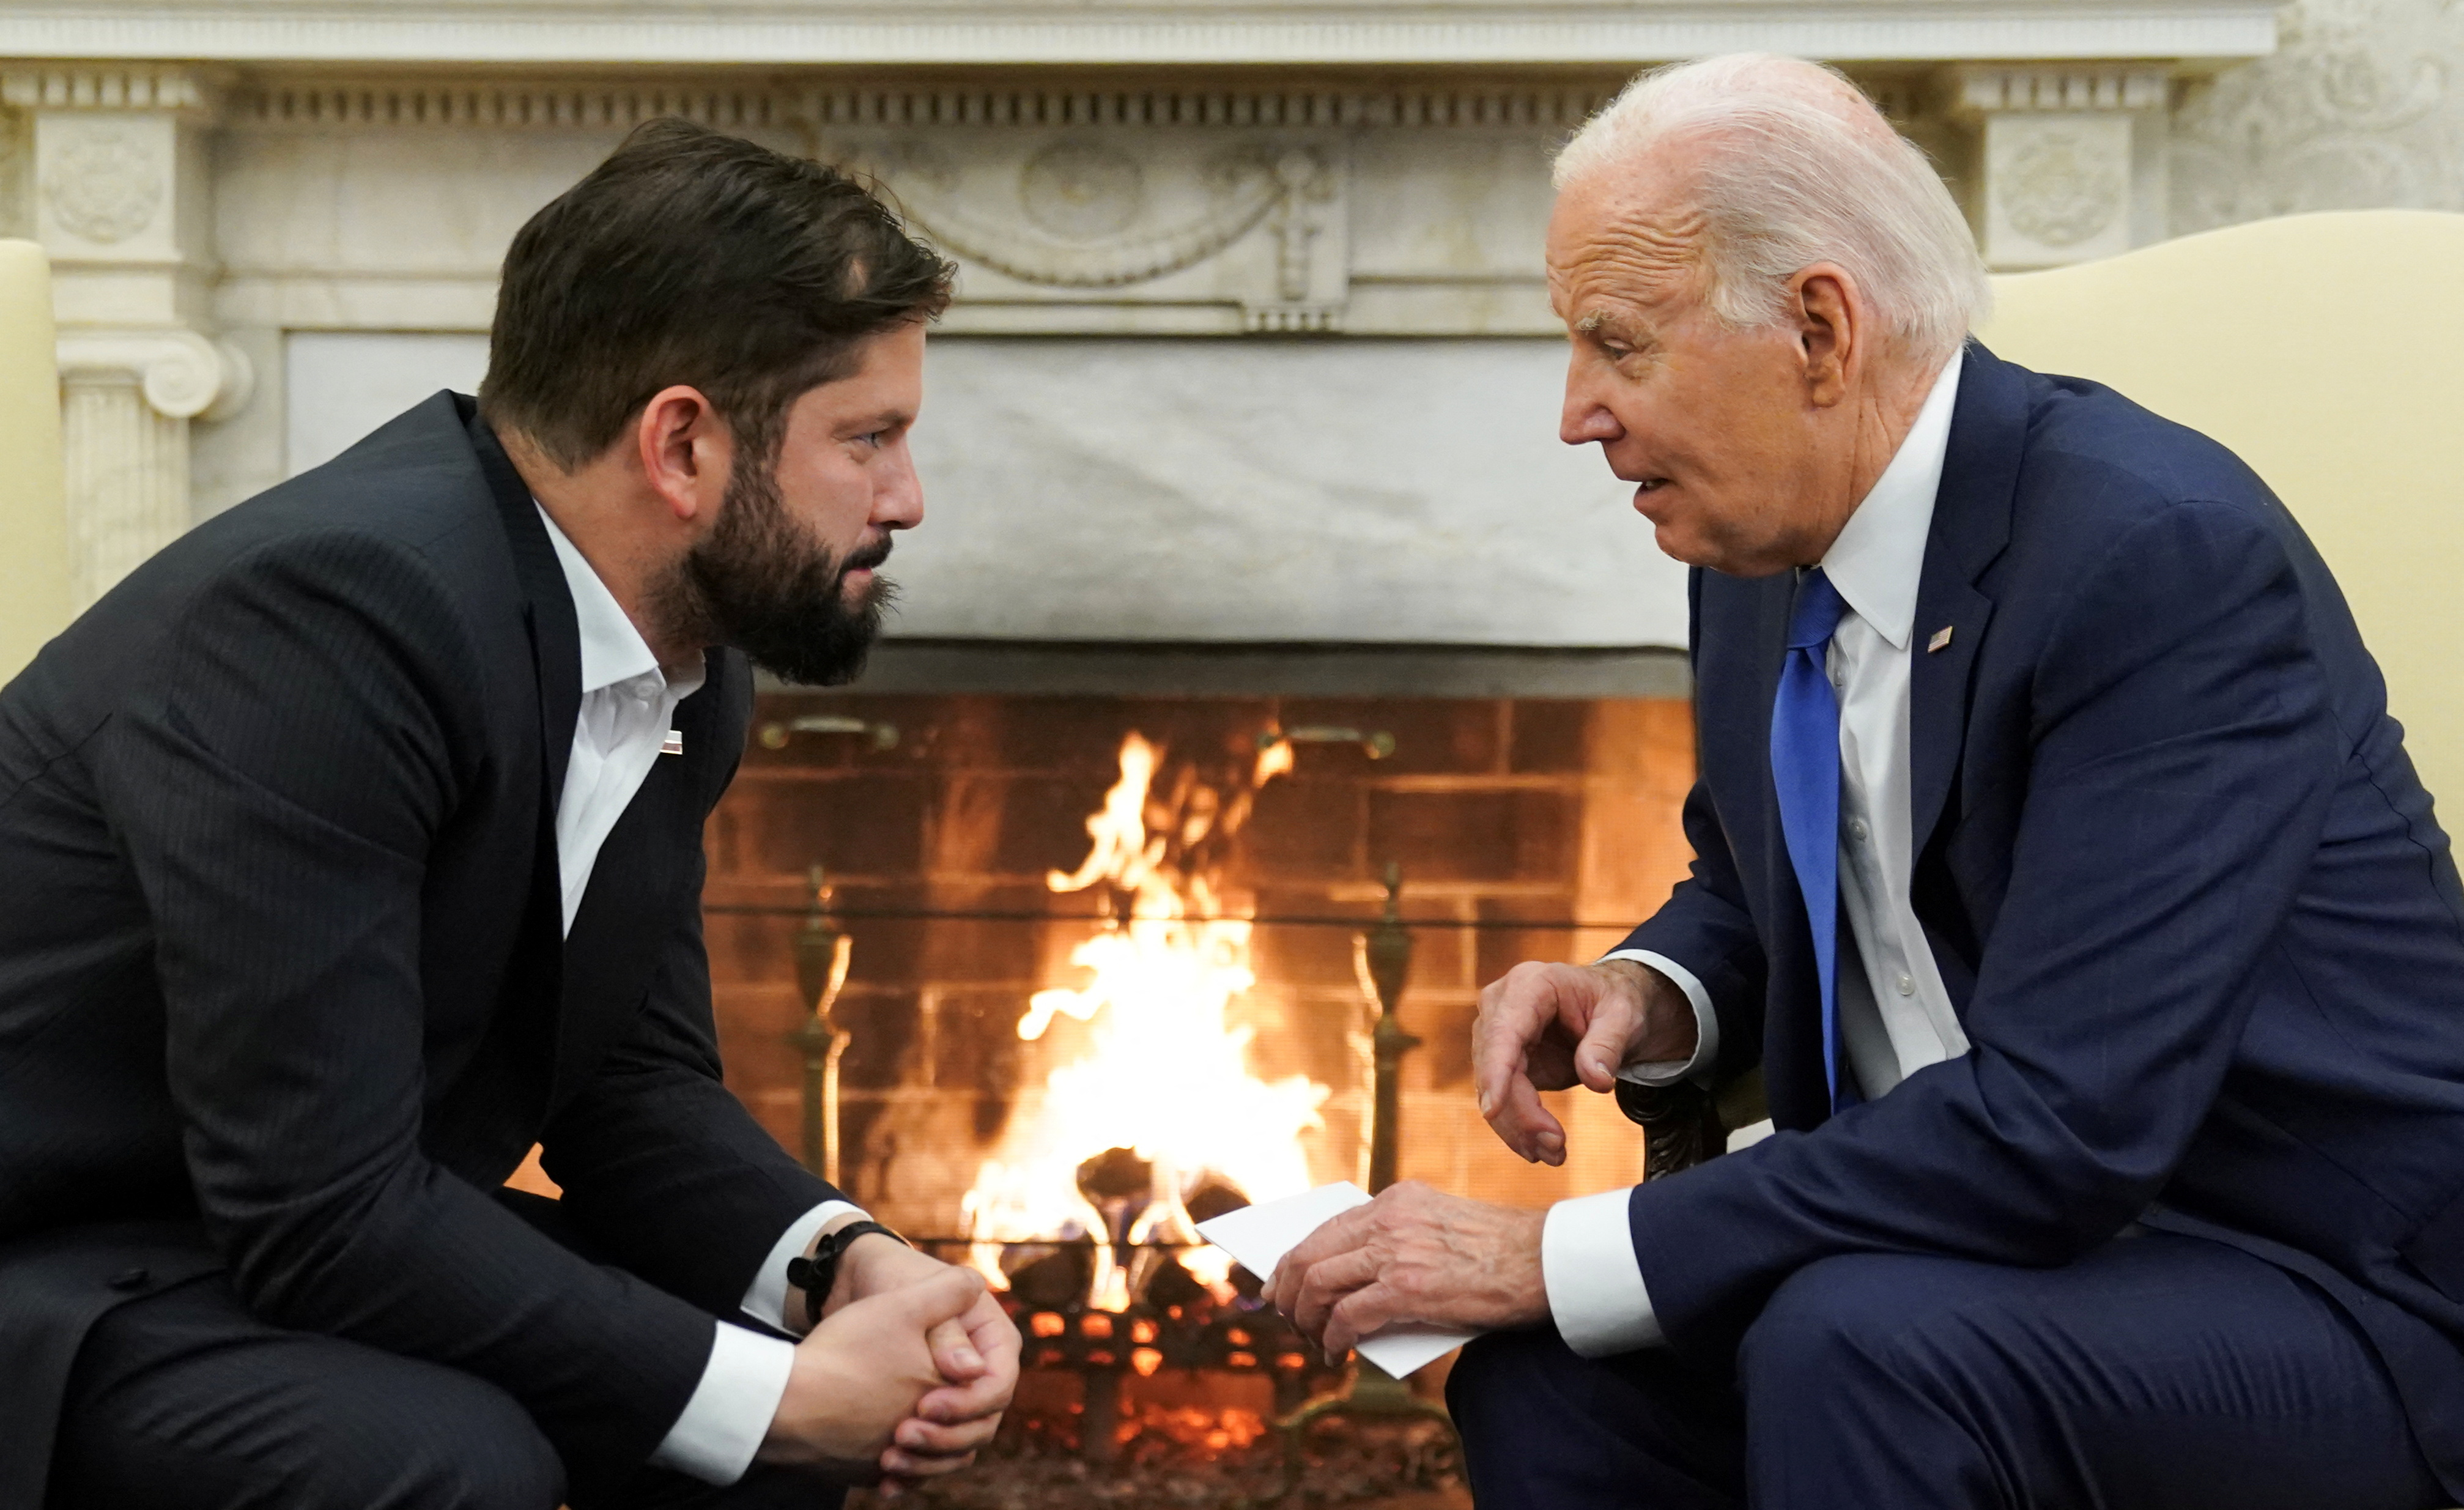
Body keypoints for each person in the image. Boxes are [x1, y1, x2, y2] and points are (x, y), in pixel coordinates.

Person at [1265, 53, 2464, 1509]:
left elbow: (2061, 1127)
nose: (1576, 410)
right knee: (1556, 1382)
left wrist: (1548, 1252)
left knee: (1854, 1343)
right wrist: (1654, 990)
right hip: (1964, 1260)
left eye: (1616, 344)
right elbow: (1765, 879)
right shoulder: (1760, 542)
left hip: (2306, 1274)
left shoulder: (2152, 562)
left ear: (1817, 332)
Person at [0, 119, 1020, 1509]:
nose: (905, 496)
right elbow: (321, 1210)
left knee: (744, 1436)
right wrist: (773, 1396)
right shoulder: (329, 619)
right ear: (680, 445)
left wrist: (840, 1263)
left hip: (245, 1236)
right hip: (58, 1258)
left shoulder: (680, 653)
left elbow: (627, 1085)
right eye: (869, 437)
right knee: (465, 1462)